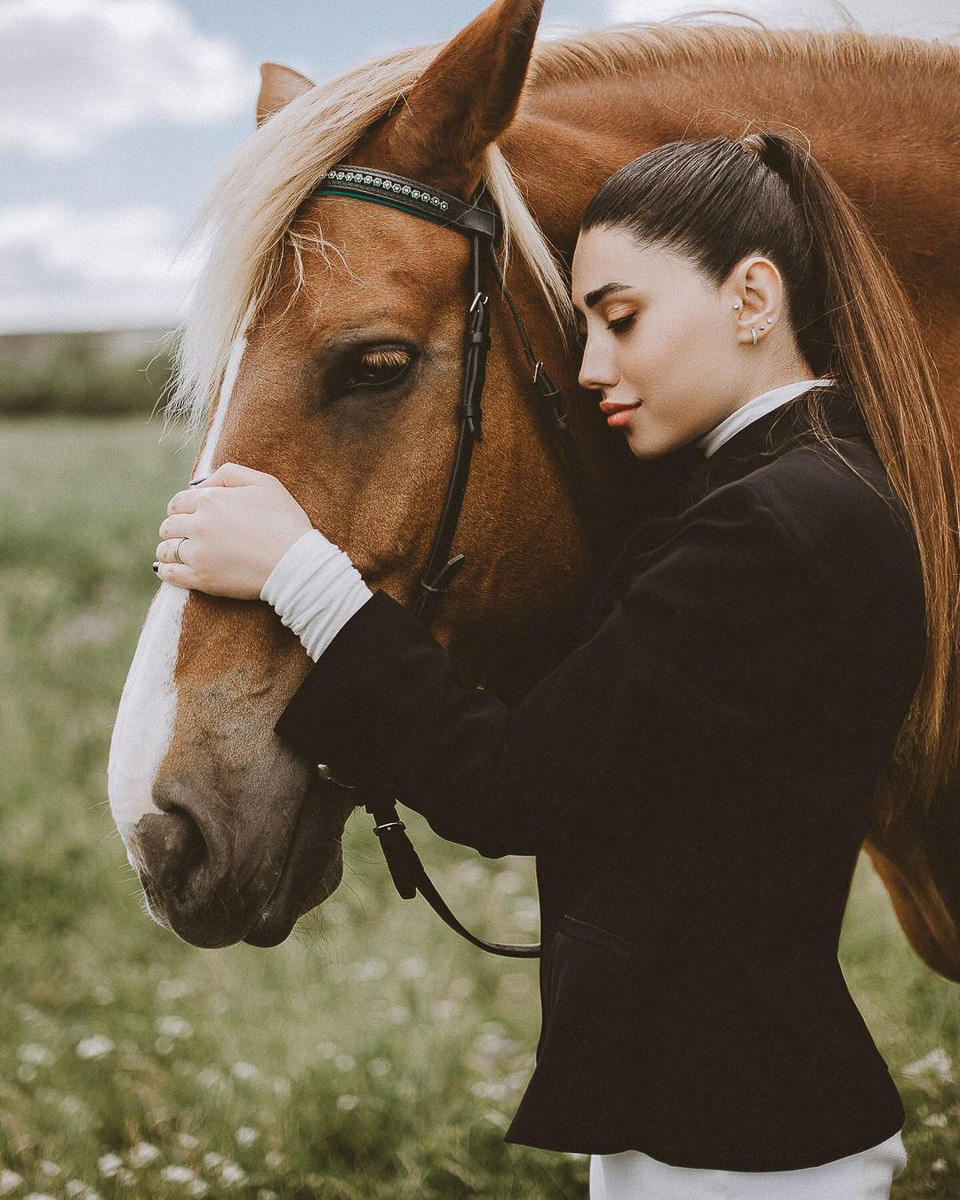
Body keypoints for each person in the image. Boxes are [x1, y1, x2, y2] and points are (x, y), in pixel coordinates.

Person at [154, 131, 960, 1199]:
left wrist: (303, 576)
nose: (591, 368)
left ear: (753, 299)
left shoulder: (774, 527)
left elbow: (515, 786)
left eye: (621, 320)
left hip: (739, 1147)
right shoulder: (783, 494)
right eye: (585, 330)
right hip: (714, 1115)